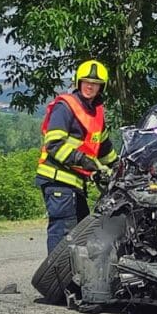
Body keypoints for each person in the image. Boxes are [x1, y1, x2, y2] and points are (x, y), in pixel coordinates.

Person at [36, 59, 118, 254]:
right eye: (86, 81)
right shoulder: (65, 106)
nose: (90, 86)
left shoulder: (96, 113)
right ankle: (57, 273)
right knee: (64, 232)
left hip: (75, 183)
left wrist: (120, 167)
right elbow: (54, 144)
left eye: (95, 83)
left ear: (102, 87)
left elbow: (104, 149)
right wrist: (82, 160)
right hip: (57, 179)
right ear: (78, 82)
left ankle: (76, 272)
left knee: (83, 231)